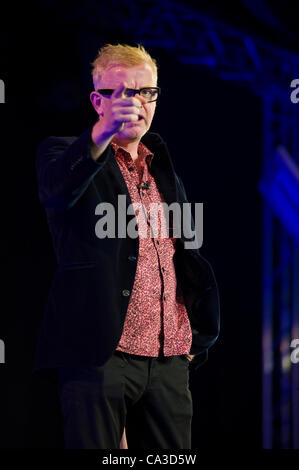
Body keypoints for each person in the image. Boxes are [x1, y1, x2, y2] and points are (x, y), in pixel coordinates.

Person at [33, 43, 220, 449]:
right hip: (101, 355)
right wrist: (101, 135)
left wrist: (196, 336)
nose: (137, 102)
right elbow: (56, 190)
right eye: (123, 92)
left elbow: (185, 255)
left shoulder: (163, 169)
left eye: (146, 91)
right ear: (98, 101)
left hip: (169, 355)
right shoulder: (64, 153)